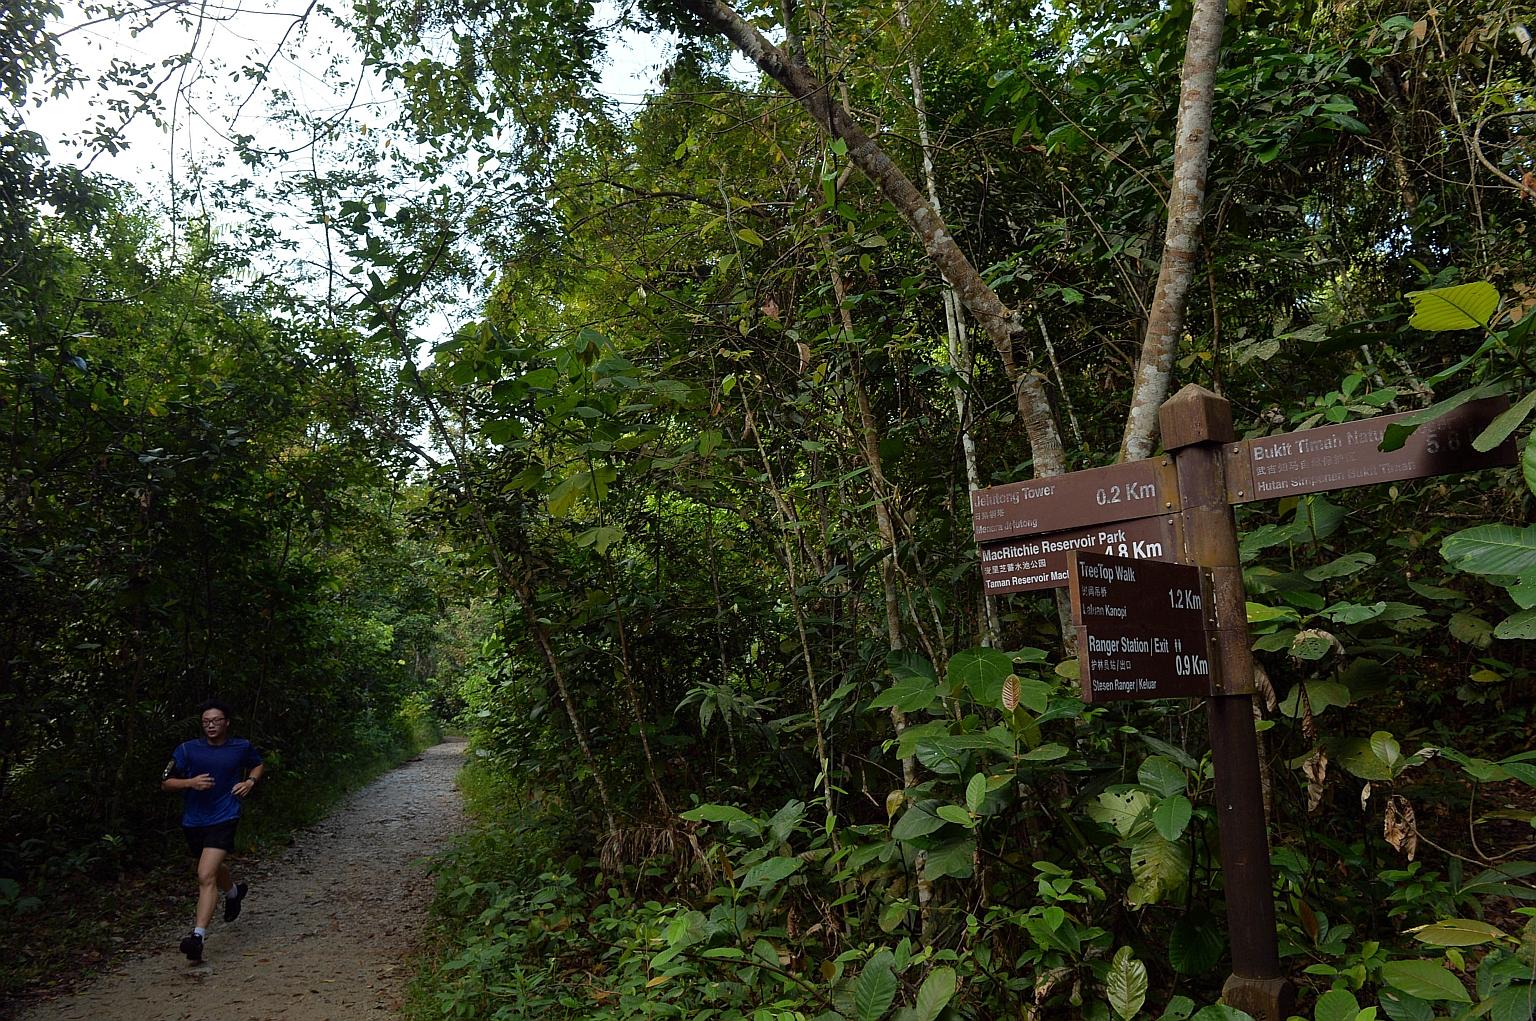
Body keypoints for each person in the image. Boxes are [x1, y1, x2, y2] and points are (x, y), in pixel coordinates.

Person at [160, 699, 264, 962]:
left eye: (216, 720)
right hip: (194, 820)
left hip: (225, 815)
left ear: (226, 722)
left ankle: (197, 937)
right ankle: (234, 892)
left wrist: (250, 781)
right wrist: (190, 782)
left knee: (205, 874)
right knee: (212, 868)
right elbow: (166, 783)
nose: (211, 725)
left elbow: (258, 764)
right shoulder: (187, 750)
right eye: (206, 722)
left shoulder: (240, 747)